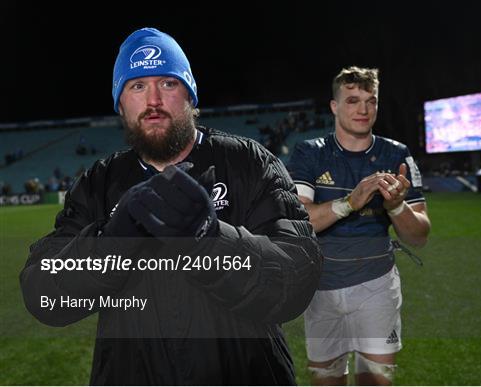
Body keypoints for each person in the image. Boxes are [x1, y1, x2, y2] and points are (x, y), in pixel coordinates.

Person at [20, 27, 322, 385]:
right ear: (120, 103)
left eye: (167, 83)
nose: (153, 100)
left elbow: (298, 279)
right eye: (136, 86)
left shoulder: (248, 162)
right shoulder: (99, 182)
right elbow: (44, 297)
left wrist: (210, 240)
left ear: (190, 94)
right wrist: (110, 243)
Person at [287, 66, 431, 386]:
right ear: (334, 107)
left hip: (376, 285)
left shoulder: (396, 154)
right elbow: (300, 223)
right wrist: (349, 203)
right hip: (321, 287)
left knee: (375, 382)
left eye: (371, 100)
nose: (363, 109)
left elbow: (419, 235)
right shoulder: (309, 152)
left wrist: (396, 205)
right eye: (352, 100)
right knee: (326, 381)